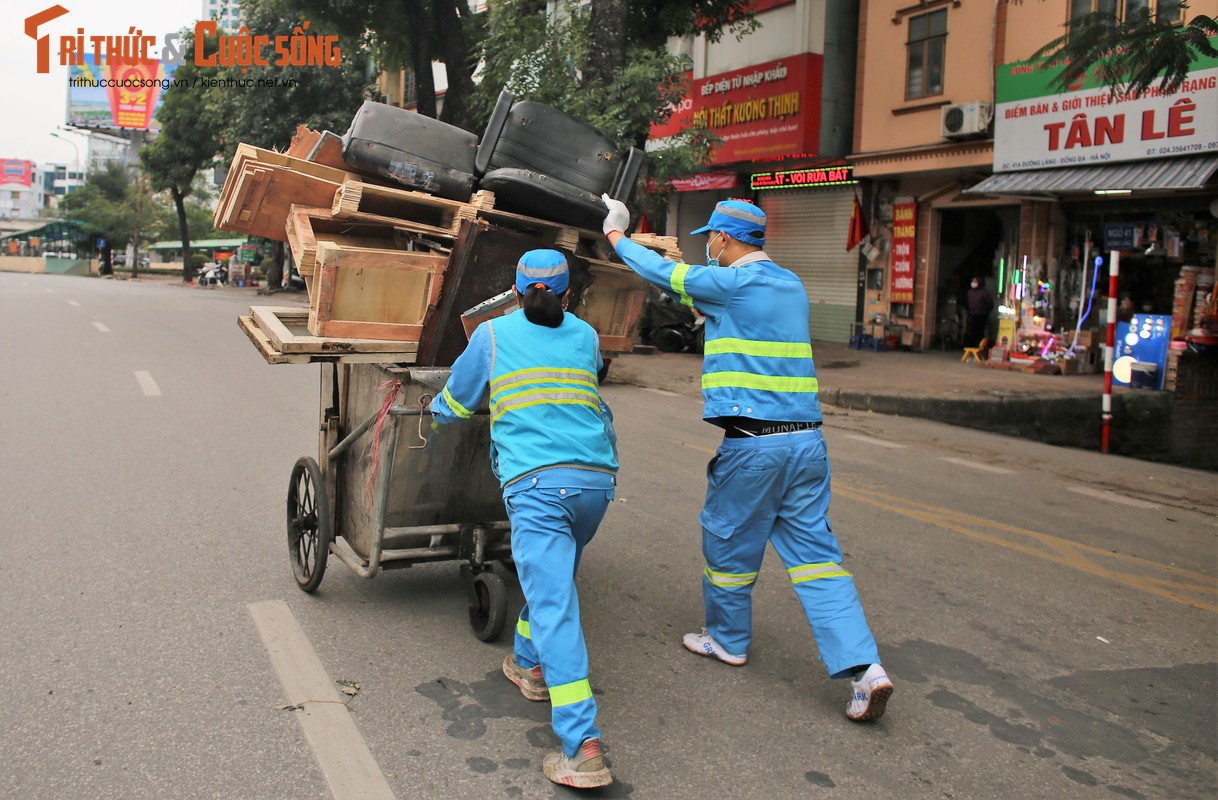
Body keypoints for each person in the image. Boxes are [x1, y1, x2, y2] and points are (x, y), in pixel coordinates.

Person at [600, 195, 894, 722]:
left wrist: (617, 234)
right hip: (806, 445)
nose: (708, 245)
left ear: (726, 239)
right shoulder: (791, 285)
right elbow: (742, 325)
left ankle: (727, 640)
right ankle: (866, 670)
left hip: (754, 446)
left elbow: (662, 271)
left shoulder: (732, 284)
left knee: (728, 546)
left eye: (711, 237)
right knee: (819, 562)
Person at [429, 249, 619, 788]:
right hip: (595, 484)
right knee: (553, 583)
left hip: (538, 487)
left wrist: (435, 412)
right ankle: (529, 665)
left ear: (513, 292)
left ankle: (582, 747)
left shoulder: (491, 336)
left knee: (556, 604)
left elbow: (459, 402)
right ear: (568, 293)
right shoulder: (585, 335)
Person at [965, 277, 994, 347]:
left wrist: (986, 311)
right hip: (972, 315)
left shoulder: (984, 293)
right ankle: (972, 345)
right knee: (972, 331)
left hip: (982, 315)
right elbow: (966, 303)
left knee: (980, 331)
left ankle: (980, 346)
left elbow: (990, 304)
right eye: (973, 281)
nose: (973, 283)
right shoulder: (970, 292)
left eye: (975, 281)